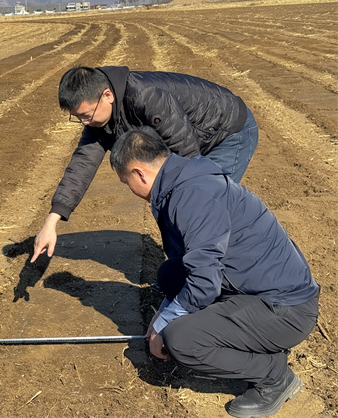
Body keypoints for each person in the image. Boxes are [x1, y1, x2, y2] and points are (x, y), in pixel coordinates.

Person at [109, 127, 319, 418]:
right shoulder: (183, 178)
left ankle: (274, 376)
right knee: (169, 275)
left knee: (181, 340)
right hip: (256, 287)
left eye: (126, 182)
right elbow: (192, 265)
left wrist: (164, 324)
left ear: (139, 173)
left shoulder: (192, 196)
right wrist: (166, 308)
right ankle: (242, 335)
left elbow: (204, 282)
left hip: (286, 310)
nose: (129, 189)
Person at [32, 65, 259, 263]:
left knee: (206, 205)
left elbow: (187, 154)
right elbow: (82, 164)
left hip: (227, 132)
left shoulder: (146, 96)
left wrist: (183, 200)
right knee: (174, 206)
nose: (84, 122)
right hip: (196, 136)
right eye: (78, 117)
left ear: (107, 95)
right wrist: (52, 220)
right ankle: (184, 273)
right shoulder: (98, 120)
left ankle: (225, 274)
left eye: (86, 115)